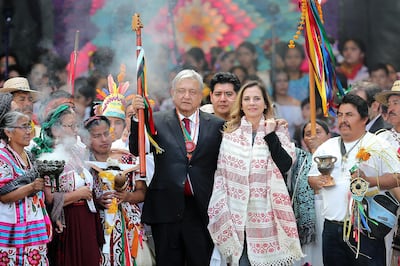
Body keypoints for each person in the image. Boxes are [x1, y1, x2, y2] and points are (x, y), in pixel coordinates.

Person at [129, 69, 225, 266]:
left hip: (202, 209)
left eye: (192, 92)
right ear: (172, 93)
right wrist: (138, 119)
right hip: (166, 206)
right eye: (181, 91)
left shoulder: (217, 125)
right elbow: (137, 149)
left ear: (201, 95)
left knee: (200, 261)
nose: (186, 96)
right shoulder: (156, 120)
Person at [207, 81, 303, 265]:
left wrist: (269, 135)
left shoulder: (278, 130)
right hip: (237, 217)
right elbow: (221, 177)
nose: (252, 103)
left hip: (268, 217)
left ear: (265, 103)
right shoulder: (229, 134)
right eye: (247, 99)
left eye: (257, 98)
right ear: (241, 104)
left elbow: (285, 165)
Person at [308, 94, 400, 266]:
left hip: (366, 228)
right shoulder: (327, 146)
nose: (343, 120)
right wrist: (318, 181)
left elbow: (397, 177)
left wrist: (370, 181)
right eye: (340, 115)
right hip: (332, 229)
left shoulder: (379, 144)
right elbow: (311, 178)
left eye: (349, 115)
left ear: (364, 118)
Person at [32, 104, 103, 266]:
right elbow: (49, 198)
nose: (75, 130)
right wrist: (79, 195)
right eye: (70, 126)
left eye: (76, 125)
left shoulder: (77, 151)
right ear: (56, 130)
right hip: (69, 221)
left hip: (87, 217)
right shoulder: (49, 158)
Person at [83, 115, 147, 265]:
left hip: (129, 223)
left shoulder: (128, 159)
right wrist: (97, 201)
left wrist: (127, 196)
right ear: (87, 139)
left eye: (106, 133)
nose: (104, 139)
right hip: (98, 226)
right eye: (97, 136)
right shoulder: (83, 164)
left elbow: (142, 192)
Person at [0, 111, 52, 265]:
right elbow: (4, 195)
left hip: (33, 226)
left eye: (29, 126)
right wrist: (31, 187)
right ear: (8, 131)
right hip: (12, 228)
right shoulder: (2, 157)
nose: (29, 131)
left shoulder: (30, 156)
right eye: (23, 127)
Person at [290, 119, 331, 266]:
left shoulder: (337, 157)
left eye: (318, 132)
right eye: (308, 134)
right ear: (303, 140)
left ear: (329, 135)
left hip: (328, 213)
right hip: (305, 220)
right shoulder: (298, 159)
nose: (313, 137)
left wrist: (318, 151)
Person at [272, 69, 304, 139]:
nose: (282, 84)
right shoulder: (270, 103)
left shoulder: (297, 103)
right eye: (279, 81)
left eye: (285, 81)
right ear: (273, 84)